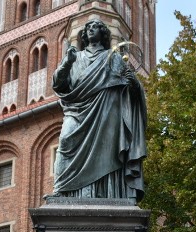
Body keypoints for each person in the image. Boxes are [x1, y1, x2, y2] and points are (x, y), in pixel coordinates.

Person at [51, 18, 147, 201]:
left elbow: (130, 92)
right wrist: (66, 64)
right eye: (88, 27)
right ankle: (61, 189)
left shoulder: (114, 58)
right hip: (77, 110)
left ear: (103, 33)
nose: (91, 29)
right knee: (64, 142)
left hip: (107, 112)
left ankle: (106, 194)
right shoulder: (75, 57)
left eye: (96, 27)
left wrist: (132, 81)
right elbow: (58, 85)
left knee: (107, 153)